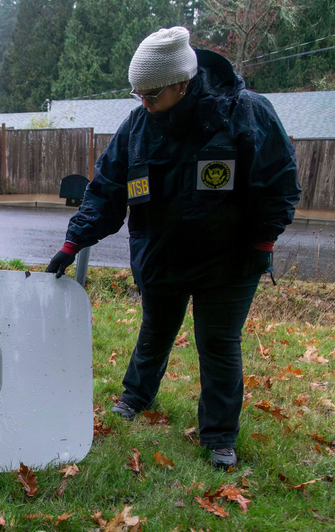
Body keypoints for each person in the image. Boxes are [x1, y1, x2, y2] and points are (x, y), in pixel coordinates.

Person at [46, 27, 300, 469]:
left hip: (229, 260)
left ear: (182, 83)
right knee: (155, 330)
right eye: (137, 94)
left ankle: (219, 436)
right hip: (161, 255)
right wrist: (74, 241)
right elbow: (106, 189)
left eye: (152, 94)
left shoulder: (245, 113)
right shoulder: (138, 126)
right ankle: (135, 396)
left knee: (219, 343)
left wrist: (263, 240)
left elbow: (280, 183)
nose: (143, 103)